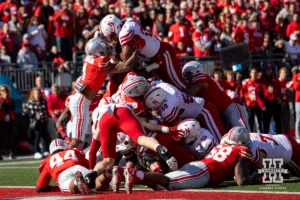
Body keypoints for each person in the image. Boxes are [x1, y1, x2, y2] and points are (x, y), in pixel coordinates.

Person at [104, 127, 254, 194]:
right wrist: (256, 178)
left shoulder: (222, 145)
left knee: (161, 184)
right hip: (205, 172)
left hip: (198, 166)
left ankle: (126, 174)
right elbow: (241, 179)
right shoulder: (242, 149)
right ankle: (133, 173)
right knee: (168, 182)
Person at [89, 103, 178, 193]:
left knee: (108, 161)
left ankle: (95, 173)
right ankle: (158, 151)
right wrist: (167, 130)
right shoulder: (124, 106)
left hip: (118, 141)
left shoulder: (101, 120)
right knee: (141, 142)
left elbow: (92, 151)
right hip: (127, 134)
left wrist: (91, 170)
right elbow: (145, 125)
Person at [99, 14, 187, 90]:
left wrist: (109, 67)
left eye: (112, 35)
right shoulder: (126, 22)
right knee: (171, 87)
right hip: (155, 58)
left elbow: (126, 62)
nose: (112, 39)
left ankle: (197, 103)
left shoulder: (125, 32)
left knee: (181, 87)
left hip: (164, 54)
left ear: (116, 27)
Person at [143, 81, 226, 142]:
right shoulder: (159, 85)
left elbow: (180, 130)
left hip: (204, 111)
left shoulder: (168, 109)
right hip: (194, 113)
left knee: (221, 140)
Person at [182, 61, 249, 131]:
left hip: (230, 110)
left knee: (243, 135)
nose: (187, 77)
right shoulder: (201, 80)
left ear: (197, 71)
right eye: (185, 75)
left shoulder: (201, 77)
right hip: (221, 115)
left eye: (189, 74)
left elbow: (190, 93)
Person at [25, 87, 50, 159]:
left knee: (45, 136)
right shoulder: (30, 102)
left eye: (39, 93)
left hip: (44, 120)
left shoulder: (43, 101)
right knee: (37, 136)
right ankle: (36, 151)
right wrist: (35, 116)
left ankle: (45, 150)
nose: (38, 95)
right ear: (33, 94)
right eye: (36, 93)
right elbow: (28, 112)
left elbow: (45, 110)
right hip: (36, 122)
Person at [259, 64, 282, 134]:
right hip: (266, 102)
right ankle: (265, 136)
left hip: (275, 102)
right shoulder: (261, 80)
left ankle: (280, 135)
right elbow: (259, 93)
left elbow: (278, 89)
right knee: (266, 121)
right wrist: (262, 105)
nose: (269, 71)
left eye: (270, 69)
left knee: (278, 120)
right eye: (267, 70)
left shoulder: (275, 79)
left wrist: (279, 97)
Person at [242, 68, 265, 132]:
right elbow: (243, 92)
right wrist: (248, 97)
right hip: (249, 104)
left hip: (258, 105)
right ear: (250, 74)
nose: (254, 74)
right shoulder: (246, 82)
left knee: (260, 120)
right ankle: (250, 133)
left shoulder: (260, 83)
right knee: (250, 120)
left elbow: (262, 94)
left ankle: (261, 134)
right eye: (253, 72)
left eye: (255, 72)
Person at [0, 85, 15, 160]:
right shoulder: (0, 99)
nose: (4, 91)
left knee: (10, 136)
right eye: (2, 90)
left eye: (6, 90)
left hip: (9, 119)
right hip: (1, 119)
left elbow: (12, 108)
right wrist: (3, 99)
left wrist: (6, 100)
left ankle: (11, 153)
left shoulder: (10, 99)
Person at [278, 68, 291, 135]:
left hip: (285, 104)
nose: (285, 74)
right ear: (279, 73)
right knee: (279, 121)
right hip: (278, 104)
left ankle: (287, 135)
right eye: (283, 73)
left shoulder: (287, 83)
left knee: (286, 121)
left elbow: (290, 92)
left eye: (286, 73)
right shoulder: (276, 82)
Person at [293, 67, 300, 142]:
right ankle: (297, 135)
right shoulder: (296, 76)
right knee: (298, 118)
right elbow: (296, 86)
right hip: (299, 100)